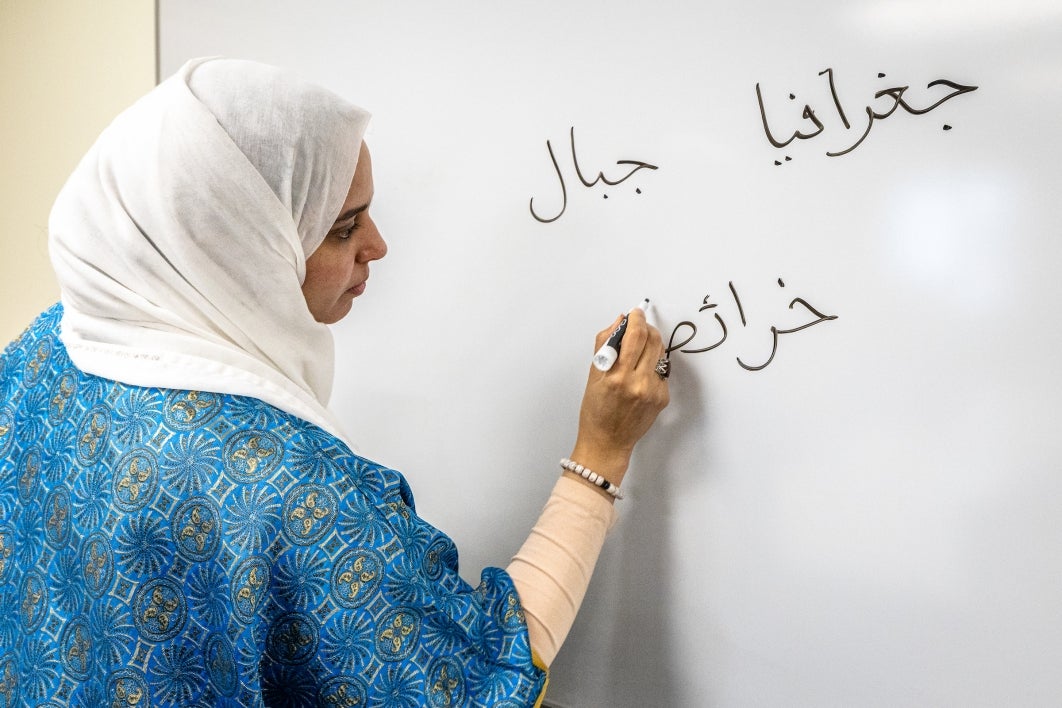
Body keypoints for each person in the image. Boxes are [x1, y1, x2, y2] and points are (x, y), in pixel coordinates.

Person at [0, 57, 669, 707]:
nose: (377, 244)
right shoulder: (291, 493)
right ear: (235, 244)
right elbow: (483, 677)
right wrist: (600, 454)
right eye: (343, 227)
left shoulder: (46, 349)